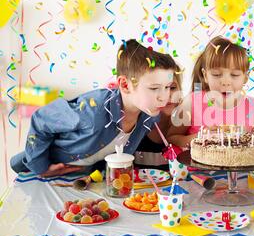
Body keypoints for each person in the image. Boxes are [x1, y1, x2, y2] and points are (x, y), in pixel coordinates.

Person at [10, 39, 177, 177]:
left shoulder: (150, 115)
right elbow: (41, 119)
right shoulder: (92, 110)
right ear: (125, 85)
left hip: (86, 177)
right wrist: (42, 168)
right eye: (154, 88)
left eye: (168, 87)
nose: (164, 96)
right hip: (45, 172)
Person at [167, 36, 254, 149]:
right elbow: (172, 138)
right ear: (205, 75)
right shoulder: (192, 102)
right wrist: (200, 137)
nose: (225, 82)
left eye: (234, 75)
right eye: (216, 74)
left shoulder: (253, 106)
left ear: (245, 78)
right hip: (198, 166)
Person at [134, 69, 183, 171]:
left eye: (172, 87)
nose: (167, 94)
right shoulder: (134, 124)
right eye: (156, 88)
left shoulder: (188, 121)